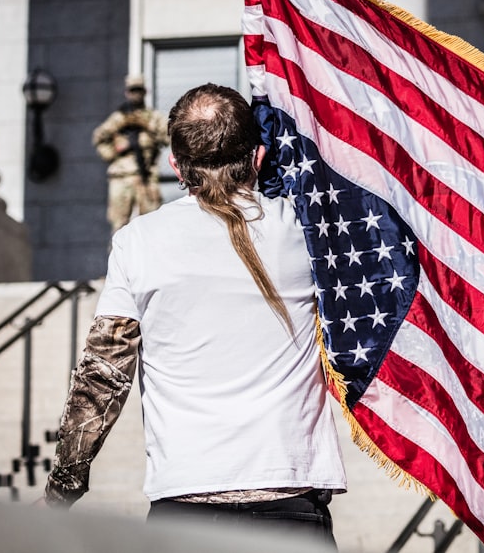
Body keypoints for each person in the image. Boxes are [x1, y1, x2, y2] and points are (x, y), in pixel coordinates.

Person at [42, 83, 347, 548]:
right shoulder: (308, 232)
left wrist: (62, 487)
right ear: (259, 157)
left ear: (176, 167)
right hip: (292, 506)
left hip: (183, 510)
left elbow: (102, 376)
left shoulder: (136, 241)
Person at [93, 74, 170, 234]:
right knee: (119, 227)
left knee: (152, 225)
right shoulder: (118, 118)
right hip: (121, 176)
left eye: (139, 90)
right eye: (132, 90)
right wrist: (115, 150)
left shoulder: (153, 118)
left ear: (145, 92)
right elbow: (99, 138)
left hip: (146, 176)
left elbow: (169, 137)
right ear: (127, 92)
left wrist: (150, 130)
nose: (136, 94)